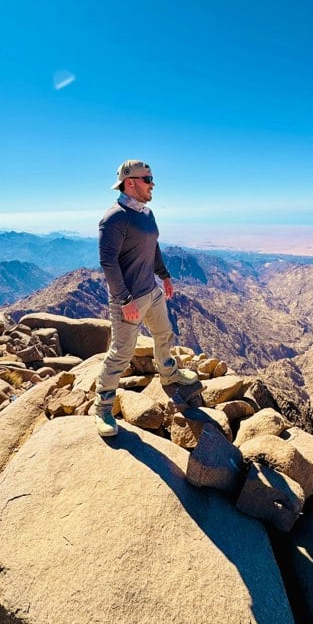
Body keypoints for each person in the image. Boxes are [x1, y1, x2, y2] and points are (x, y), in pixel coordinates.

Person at [95, 159, 198, 437]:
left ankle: (169, 373)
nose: (153, 184)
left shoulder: (147, 213)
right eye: (148, 179)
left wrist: (164, 275)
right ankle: (103, 407)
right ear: (130, 183)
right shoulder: (114, 218)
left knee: (164, 334)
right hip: (129, 299)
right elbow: (108, 262)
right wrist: (124, 299)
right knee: (121, 354)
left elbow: (153, 246)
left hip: (151, 291)